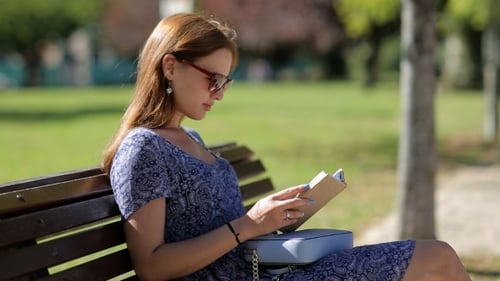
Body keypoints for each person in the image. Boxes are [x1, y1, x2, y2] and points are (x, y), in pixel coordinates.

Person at [102, 13, 471, 281]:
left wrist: (273, 217)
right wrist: (248, 224)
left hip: (267, 272)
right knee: (435, 259)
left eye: (225, 83)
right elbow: (151, 266)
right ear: (170, 66)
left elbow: (225, 231)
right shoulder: (143, 149)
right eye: (212, 79)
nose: (218, 94)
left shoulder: (191, 139)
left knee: (437, 256)